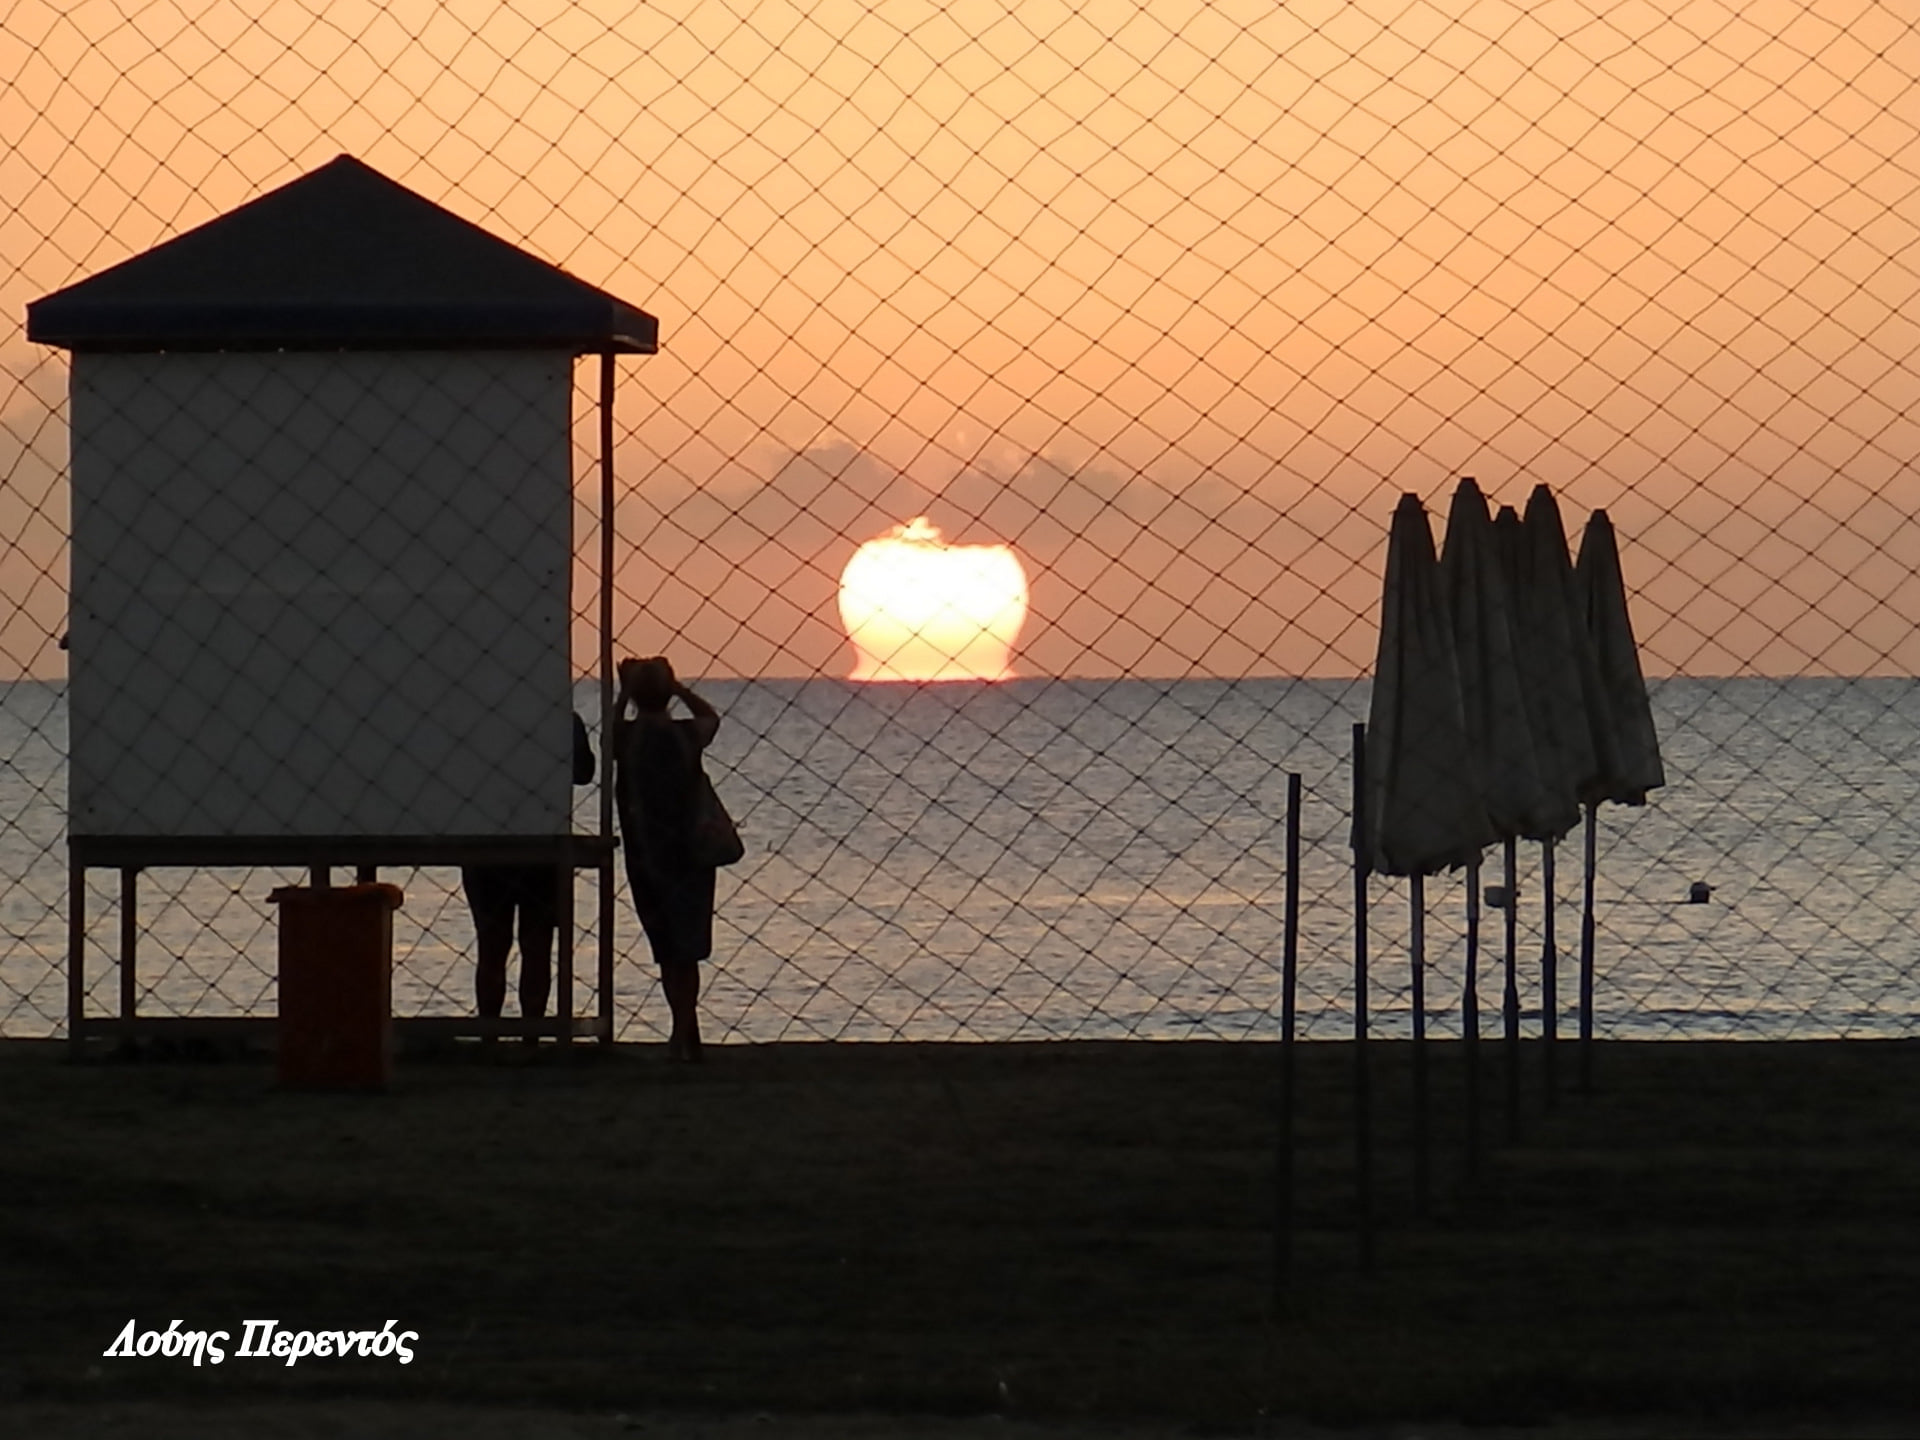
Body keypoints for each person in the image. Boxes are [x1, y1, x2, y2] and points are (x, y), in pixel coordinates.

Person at [614, 655, 722, 1062]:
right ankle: (685, 1027)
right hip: (691, 852)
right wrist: (677, 688)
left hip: (647, 854)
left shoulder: (628, 739)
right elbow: (711, 716)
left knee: (667, 947)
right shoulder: (685, 735)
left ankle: (682, 1028)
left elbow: (609, 732)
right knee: (688, 946)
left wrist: (624, 691)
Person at [462, 712, 595, 1041]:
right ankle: (531, 1034)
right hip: (542, 841)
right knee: (536, 946)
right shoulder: (563, 720)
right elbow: (583, 773)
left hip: (487, 840)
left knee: (493, 946)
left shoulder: (482, 715)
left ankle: (490, 1033)